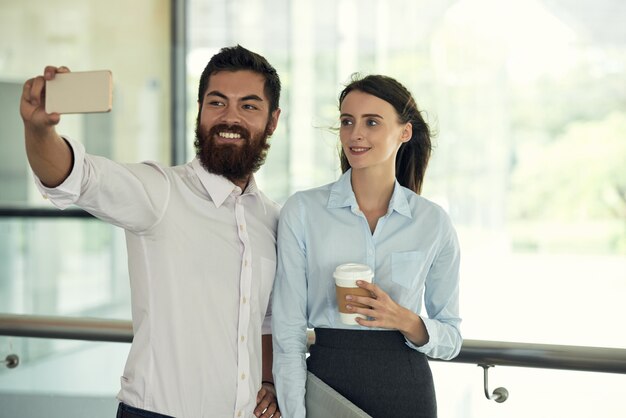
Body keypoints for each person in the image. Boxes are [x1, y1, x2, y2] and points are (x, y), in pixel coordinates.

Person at [20, 45, 282, 418]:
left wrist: (268, 381)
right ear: (200, 111)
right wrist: (39, 129)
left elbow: (265, 319)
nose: (230, 118)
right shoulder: (161, 192)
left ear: (272, 121)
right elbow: (76, 176)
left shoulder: (271, 218)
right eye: (217, 103)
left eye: (249, 106)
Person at [272, 74, 462, 418]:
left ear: (404, 132)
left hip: (407, 389)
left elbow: (451, 337)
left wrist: (403, 319)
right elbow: (287, 332)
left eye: (371, 122)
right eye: (347, 121)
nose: (355, 133)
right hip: (328, 381)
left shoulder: (432, 222)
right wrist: (293, 413)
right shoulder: (303, 211)